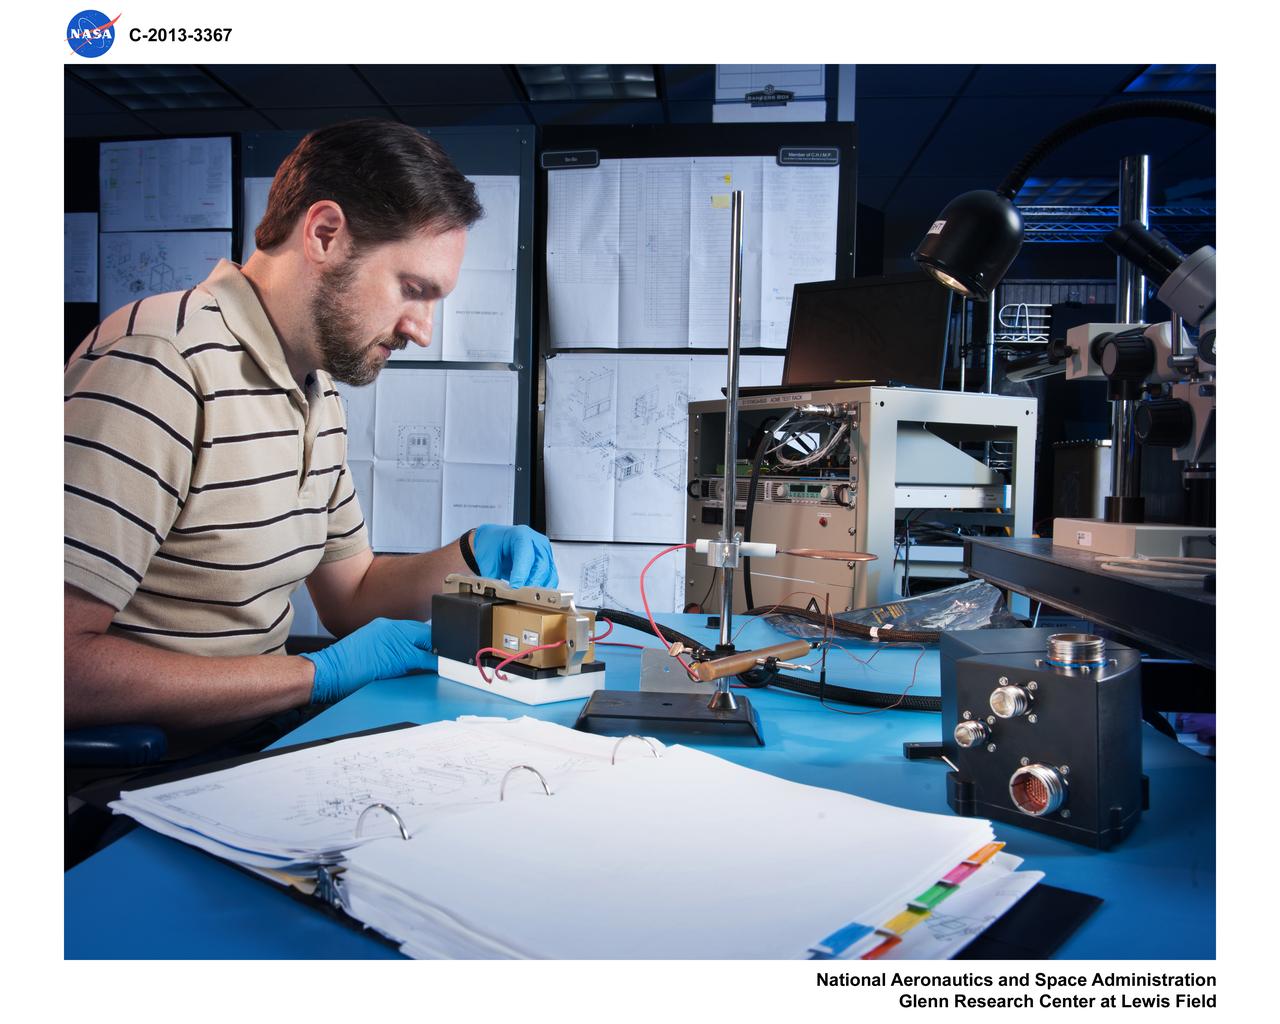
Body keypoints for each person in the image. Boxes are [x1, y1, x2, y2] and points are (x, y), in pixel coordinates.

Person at [64, 120, 557, 743]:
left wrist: (473, 556)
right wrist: (314, 676)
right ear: (324, 235)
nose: (422, 330)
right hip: (157, 772)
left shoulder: (314, 391)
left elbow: (349, 596)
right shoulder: (162, 359)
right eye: (412, 290)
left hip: (255, 740)